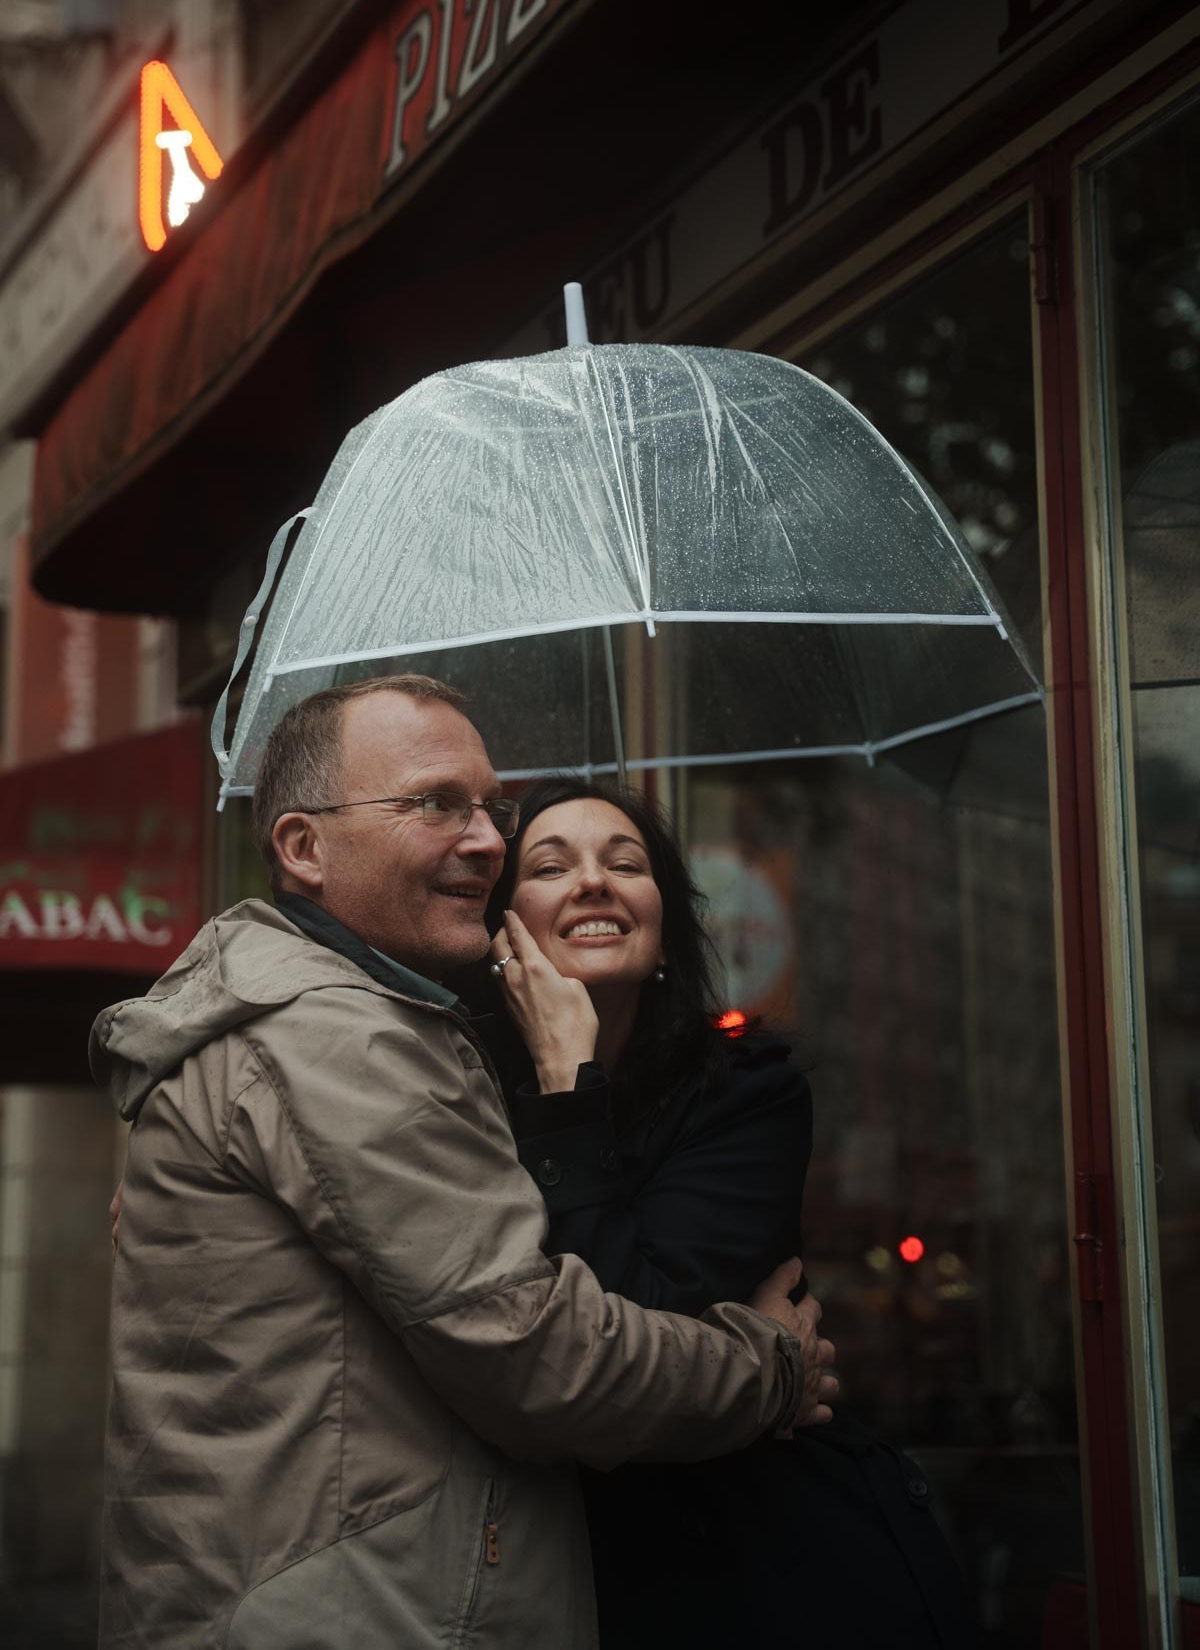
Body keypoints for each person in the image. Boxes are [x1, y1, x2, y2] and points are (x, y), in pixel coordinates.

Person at [93, 675, 836, 1650]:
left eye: (491, 808)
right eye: (436, 804)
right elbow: (536, 1354)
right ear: (302, 847)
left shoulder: (372, 1029)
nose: (487, 839)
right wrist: (770, 1366)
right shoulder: (338, 1039)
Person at [485, 774, 974, 1649]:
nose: (593, 881)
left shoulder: (746, 1091)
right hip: (553, 1573)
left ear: (664, 924)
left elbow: (633, 1330)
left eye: (624, 863)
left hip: (765, 1571)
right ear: (504, 932)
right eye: (550, 866)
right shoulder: (462, 1098)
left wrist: (569, 1085)